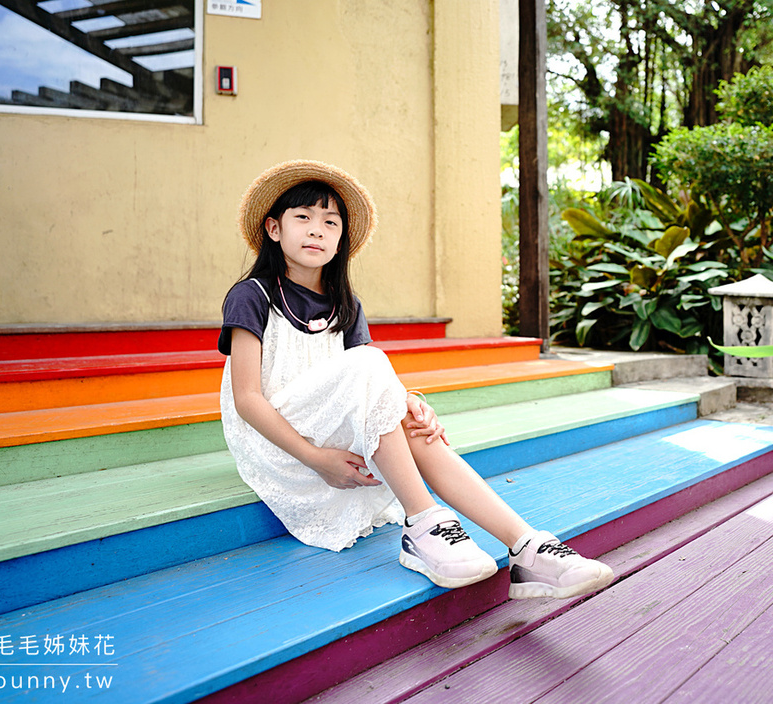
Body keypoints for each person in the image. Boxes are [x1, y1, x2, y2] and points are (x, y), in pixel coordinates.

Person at [218, 159, 614, 599]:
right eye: (303, 218)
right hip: (281, 443)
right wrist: (315, 458)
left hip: (331, 424)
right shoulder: (251, 295)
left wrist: (409, 402)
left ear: (340, 240)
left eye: (330, 222)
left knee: (414, 421)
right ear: (274, 229)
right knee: (375, 371)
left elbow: (366, 379)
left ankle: (526, 547)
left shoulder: (344, 301)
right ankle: (423, 521)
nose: (317, 230)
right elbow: (248, 399)